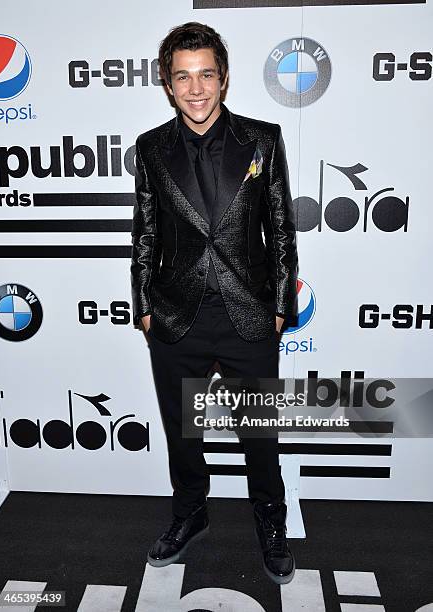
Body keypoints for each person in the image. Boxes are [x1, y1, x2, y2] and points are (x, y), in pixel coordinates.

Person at [130, 21, 298, 584]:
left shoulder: (263, 139)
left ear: (223, 79)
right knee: (182, 432)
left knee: (259, 433)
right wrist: (144, 306)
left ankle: (271, 524)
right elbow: (145, 233)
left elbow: (281, 229)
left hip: (248, 312)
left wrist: (280, 306)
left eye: (206, 74)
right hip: (176, 316)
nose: (196, 88)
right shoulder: (150, 148)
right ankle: (189, 515)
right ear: (167, 83)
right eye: (183, 77)